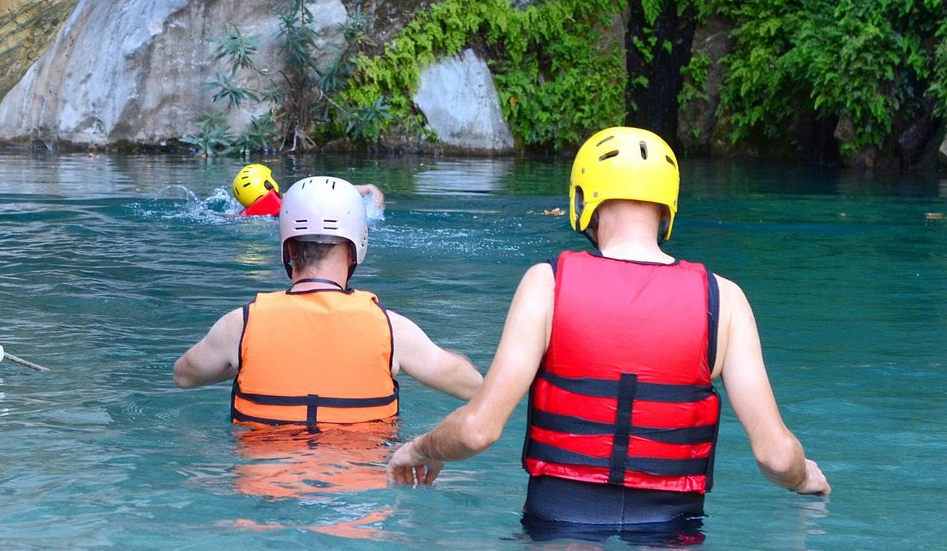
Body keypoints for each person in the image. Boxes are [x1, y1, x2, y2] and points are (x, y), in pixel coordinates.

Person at [387, 126, 830, 539]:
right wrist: (802, 476)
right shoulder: (724, 299)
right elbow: (776, 456)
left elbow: (476, 431)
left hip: (557, 526)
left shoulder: (547, 284)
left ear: (583, 200)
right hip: (672, 530)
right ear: (667, 209)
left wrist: (421, 448)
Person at [176, 175, 483, 429]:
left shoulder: (239, 326)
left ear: (288, 249)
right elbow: (473, 386)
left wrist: (242, 358)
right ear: (356, 248)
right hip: (361, 480)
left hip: (265, 480)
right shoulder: (393, 331)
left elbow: (184, 376)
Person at [231, 163, 385, 218]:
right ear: (268, 184)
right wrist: (369, 188)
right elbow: (334, 189)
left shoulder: (243, 216)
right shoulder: (296, 196)